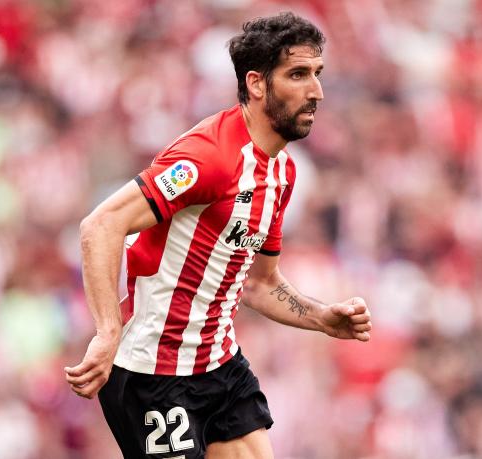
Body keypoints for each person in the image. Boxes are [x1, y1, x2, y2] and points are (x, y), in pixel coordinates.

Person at [65, 12, 372, 459]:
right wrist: (107, 331)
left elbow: (260, 284)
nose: (316, 92)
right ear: (257, 83)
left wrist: (322, 318)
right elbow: (101, 225)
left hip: (220, 367)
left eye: (318, 75)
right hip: (154, 374)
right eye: (299, 75)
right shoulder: (208, 157)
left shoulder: (283, 173)